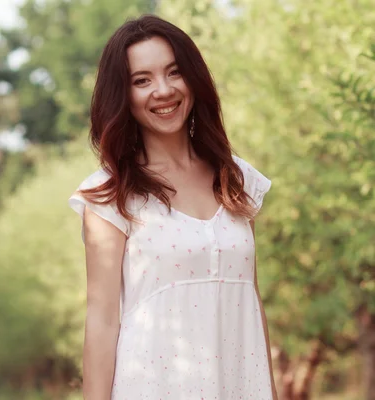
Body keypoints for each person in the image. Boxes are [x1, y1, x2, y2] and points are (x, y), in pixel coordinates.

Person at [68, 15, 278, 400]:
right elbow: (101, 321)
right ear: (124, 96)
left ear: (193, 80)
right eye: (142, 80)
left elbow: (251, 300)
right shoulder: (110, 193)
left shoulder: (237, 178)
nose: (162, 91)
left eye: (174, 73)